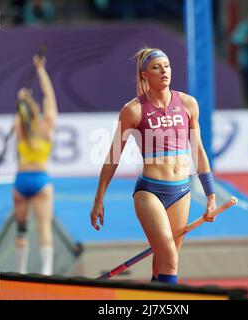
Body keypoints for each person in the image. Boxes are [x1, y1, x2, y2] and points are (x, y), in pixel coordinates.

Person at [89, 48, 217, 284]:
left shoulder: (188, 104)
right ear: (145, 74)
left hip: (182, 191)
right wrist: (99, 199)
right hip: (150, 192)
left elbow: (198, 151)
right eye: (156, 67)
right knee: (169, 257)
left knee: (163, 261)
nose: (164, 71)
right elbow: (113, 157)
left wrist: (210, 194)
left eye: (166, 66)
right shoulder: (133, 110)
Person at [13, 55, 58, 276]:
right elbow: (49, 96)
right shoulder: (47, 126)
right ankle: (46, 273)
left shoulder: (20, 127)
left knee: (21, 231)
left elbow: (20, 112)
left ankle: (20, 274)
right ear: (37, 110)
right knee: (44, 229)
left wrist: (21, 100)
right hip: (40, 181)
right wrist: (41, 69)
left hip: (20, 182)